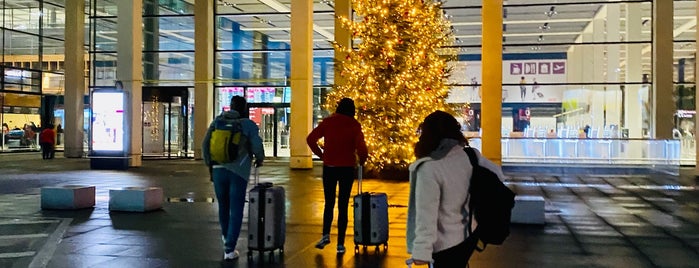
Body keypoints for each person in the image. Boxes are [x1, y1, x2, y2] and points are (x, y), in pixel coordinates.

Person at [406, 110, 506, 268]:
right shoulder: (470, 156)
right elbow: (498, 175)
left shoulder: (429, 168)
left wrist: (421, 251)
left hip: (444, 244)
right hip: (469, 235)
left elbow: (426, 215)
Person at [202, 95, 265, 261]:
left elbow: (205, 144)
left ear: (230, 106)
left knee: (223, 205)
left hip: (217, 169)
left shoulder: (217, 122)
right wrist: (259, 158)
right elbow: (257, 145)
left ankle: (225, 238)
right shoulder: (247, 124)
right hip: (238, 172)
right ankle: (229, 249)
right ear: (245, 109)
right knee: (236, 209)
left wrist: (210, 164)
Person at [306, 97, 368, 254]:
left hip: (330, 167)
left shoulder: (328, 122)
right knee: (343, 205)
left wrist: (321, 155)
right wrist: (362, 160)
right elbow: (362, 147)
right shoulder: (354, 125)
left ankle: (325, 235)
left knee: (329, 203)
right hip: (347, 168)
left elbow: (311, 139)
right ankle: (340, 243)